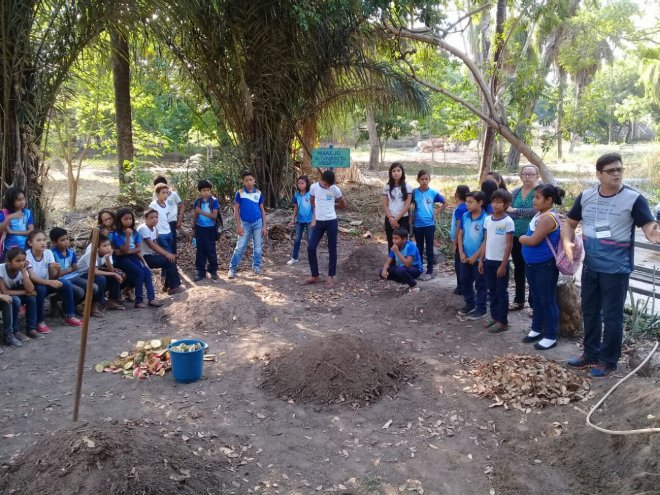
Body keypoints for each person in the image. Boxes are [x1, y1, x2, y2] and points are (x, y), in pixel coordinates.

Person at [562, 152, 659, 376]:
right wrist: (568, 243)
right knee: (590, 311)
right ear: (598, 174)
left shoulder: (634, 199)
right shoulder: (586, 196)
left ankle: (608, 361)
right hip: (591, 267)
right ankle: (590, 354)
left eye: (619, 169)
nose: (616, 174)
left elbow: (650, 229)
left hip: (616, 270)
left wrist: (656, 235)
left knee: (612, 316)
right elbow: (570, 223)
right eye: (611, 170)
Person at [519, 184, 565, 351]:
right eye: (534, 197)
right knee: (537, 297)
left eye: (537, 198)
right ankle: (536, 328)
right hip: (533, 264)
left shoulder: (548, 218)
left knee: (547, 299)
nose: (534, 200)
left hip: (545, 265)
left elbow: (533, 240)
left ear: (549, 200)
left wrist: (521, 239)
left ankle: (551, 335)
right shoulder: (540, 215)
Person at [26, 230, 84, 329]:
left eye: (44, 240)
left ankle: (70, 315)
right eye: (38, 240)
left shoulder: (48, 253)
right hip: (32, 285)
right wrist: (50, 282)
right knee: (41, 289)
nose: (42, 242)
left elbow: (53, 277)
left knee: (65, 283)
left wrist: (56, 270)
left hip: (47, 282)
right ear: (30, 243)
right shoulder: (27, 255)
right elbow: (32, 277)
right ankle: (39, 321)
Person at [110, 208, 162, 308]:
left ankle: (152, 299)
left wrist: (125, 252)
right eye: (126, 219)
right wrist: (128, 237)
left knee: (147, 272)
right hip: (121, 259)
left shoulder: (134, 232)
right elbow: (124, 249)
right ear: (119, 220)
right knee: (140, 273)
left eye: (130, 219)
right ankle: (138, 301)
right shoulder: (116, 234)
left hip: (131, 256)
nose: (129, 221)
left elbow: (138, 249)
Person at [478, 190, 514, 333]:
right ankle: (494, 317)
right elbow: (486, 240)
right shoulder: (488, 219)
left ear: (506, 204)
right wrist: (481, 260)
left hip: (500, 263)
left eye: (499, 202)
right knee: (491, 290)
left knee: (501, 292)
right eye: (493, 201)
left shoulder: (508, 221)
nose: (495, 204)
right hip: (488, 261)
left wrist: (504, 264)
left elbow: (509, 245)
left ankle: (503, 321)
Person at [305, 170, 346, 289]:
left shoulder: (335, 189)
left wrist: (332, 205)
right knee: (311, 247)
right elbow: (312, 201)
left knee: (332, 249)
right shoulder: (313, 187)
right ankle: (315, 275)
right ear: (321, 179)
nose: (327, 186)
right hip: (319, 222)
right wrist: (316, 214)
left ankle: (330, 276)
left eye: (329, 184)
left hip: (332, 222)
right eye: (325, 184)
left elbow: (343, 204)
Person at [507, 165, 540, 311]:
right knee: (519, 268)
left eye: (531, 174)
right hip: (516, 236)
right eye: (525, 174)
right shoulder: (516, 192)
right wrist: (518, 212)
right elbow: (508, 210)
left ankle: (534, 304)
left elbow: (536, 211)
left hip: (533, 236)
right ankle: (519, 300)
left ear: (537, 176)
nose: (527, 177)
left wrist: (516, 211)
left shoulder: (540, 192)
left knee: (532, 270)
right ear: (520, 176)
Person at [228, 171, 268, 278]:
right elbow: (236, 209)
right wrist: (238, 226)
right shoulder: (240, 193)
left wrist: (264, 226)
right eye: (246, 180)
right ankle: (232, 268)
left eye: (251, 180)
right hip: (245, 224)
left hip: (258, 223)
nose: (249, 182)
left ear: (254, 181)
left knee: (258, 247)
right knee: (240, 247)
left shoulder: (258, 193)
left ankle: (257, 266)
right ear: (243, 182)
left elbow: (262, 210)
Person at [137, 209, 184, 295]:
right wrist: (167, 254)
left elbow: (155, 243)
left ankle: (168, 287)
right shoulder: (143, 228)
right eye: (151, 217)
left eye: (156, 217)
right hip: (142, 258)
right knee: (170, 260)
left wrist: (167, 254)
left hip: (150, 255)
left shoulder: (153, 228)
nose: (155, 219)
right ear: (146, 219)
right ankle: (173, 287)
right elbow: (151, 245)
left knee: (170, 259)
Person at [457, 192, 488, 320]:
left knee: (481, 284)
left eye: (471, 202)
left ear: (480, 203)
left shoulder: (486, 219)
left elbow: (486, 241)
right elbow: (460, 235)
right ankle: (470, 303)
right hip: (465, 257)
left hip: (480, 259)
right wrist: (461, 253)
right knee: (464, 280)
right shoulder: (465, 216)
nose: (467, 204)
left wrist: (476, 256)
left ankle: (481, 308)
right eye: (466, 201)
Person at [77, 234, 125, 313]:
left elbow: (111, 270)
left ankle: (111, 301)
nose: (108, 247)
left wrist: (107, 259)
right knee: (101, 278)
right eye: (104, 246)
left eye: (109, 244)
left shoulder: (107, 253)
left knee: (115, 275)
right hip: (81, 275)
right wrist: (113, 274)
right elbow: (94, 271)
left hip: (91, 273)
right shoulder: (91, 253)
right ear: (98, 248)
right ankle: (93, 305)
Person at [412, 170, 446, 280]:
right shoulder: (414, 193)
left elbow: (445, 203)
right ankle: (420, 269)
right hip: (418, 225)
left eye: (426, 179)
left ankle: (430, 270)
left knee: (430, 248)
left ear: (429, 180)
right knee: (419, 247)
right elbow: (408, 205)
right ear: (418, 180)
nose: (424, 181)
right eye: (422, 179)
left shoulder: (433, 193)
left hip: (429, 224)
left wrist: (436, 212)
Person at [0, 247, 38, 343]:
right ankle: (14, 331)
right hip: (3, 296)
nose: (21, 263)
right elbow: (4, 292)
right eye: (18, 261)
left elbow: (30, 289)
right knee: (15, 300)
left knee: (31, 298)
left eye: (23, 260)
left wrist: (24, 271)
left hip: (11, 293)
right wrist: (26, 292)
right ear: (9, 261)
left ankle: (31, 328)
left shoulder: (21, 270)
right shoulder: (1, 269)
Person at [192, 180, 220, 282]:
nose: (206, 192)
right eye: (204, 190)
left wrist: (201, 212)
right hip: (200, 228)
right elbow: (195, 215)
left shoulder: (214, 201)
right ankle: (200, 271)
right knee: (200, 251)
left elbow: (214, 216)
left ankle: (213, 270)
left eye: (208, 190)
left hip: (210, 229)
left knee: (211, 250)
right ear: (200, 191)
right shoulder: (198, 201)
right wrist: (193, 228)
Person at [49, 227, 90, 298]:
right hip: (60, 280)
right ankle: (57, 299)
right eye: (62, 240)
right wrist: (69, 270)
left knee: (92, 287)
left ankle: (73, 304)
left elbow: (75, 268)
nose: (66, 242)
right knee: (80, 292)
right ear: (54, 242)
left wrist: (70, 270)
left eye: (67, 239)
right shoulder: (52, 254)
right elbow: (54, 275)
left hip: (74, 276)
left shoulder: (71, 252)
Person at [379, 228, 423, 293]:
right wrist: (384, 270)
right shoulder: (395, 247)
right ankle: (403, 282)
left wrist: (397, 252)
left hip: (415, 269)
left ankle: (414, 285)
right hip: (401, 268)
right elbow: (387, 262)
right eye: (393, 238)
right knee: (381, 272)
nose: (394, 241)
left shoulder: (410, 246)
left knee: (400, 270)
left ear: (404, 239)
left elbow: (408, 264)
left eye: (396, 238)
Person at [382, 162, 412, 250]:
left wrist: (396, 219)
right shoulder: (387, 187)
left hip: (403, 219)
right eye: (393, 171)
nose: (396, 173)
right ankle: (392, 263)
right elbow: (385, 205)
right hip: (390, 219)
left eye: (398, 170)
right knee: (391, 243)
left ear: (402, 172)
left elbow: (407, 205)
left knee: (402, 243)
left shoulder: (407, 187)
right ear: (390, 173)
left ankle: (402, 263)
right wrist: (391, 219)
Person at [153, 175, 184, 253]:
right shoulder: (155, 195)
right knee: (161, 243)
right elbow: (153, 210)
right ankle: (165, 262)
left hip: (171, 222)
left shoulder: (173, 195)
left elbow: (182, 206)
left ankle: (173, 262)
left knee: (172, 243)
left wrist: (179, 221)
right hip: (160, 223)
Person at [287, 175, 313, 265]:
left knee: (310, 239)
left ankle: (312, 257)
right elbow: (296, 207)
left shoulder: (311, 194)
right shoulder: (296, 194)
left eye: (302, 183)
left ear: (307, 183)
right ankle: (294, 257)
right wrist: (293, 219)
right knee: (297, 239)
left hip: (310, 220)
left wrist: (315, 219)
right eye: (299, 183)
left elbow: (314, 207)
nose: (300, 185)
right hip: (299, 220)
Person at [0, 187, 34, 254]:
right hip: (9, 249)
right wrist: (9, 218)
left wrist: (12, 232)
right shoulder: (4, 213)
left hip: (25, 247)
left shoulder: (28, 213)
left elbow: (31, 231)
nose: (22, 202)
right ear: (11, 201)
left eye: (23, 199)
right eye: (19, 200)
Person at [450, 185, 470, 295]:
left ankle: (460, 287)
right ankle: (466, 285)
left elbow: (458, 227)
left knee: (459, 265)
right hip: (467, 240)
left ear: (456, 194)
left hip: (460, 241)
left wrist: (455, 243)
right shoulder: (468, 207)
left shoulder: (460, 209)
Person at [148, 183, 174, 253]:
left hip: (168, 231)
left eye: (167, 193)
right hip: (160, 233)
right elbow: (149, 219)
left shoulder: (167, 204)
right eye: (163, 193)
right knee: (167, 253)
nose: (165, 195)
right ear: (157, 194)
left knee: (169, 251)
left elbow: (166, 217)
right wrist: (155, 231)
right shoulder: (153, 205)